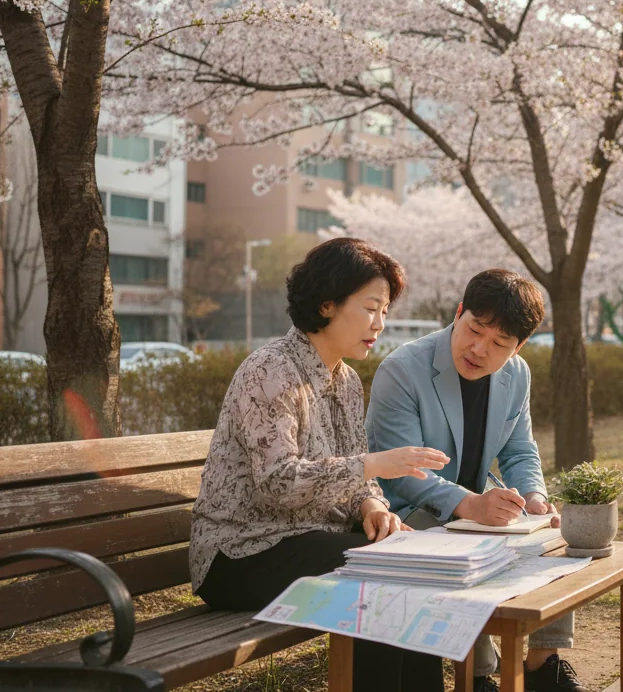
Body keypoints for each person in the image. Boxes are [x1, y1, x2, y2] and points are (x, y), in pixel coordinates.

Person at [190, 238, 452, 692]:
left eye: (384, 311)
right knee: (380, 574)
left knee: (409, 562)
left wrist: (372, 507)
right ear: (327, 304)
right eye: (370, 308)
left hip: (308, 542)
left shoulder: (346, 380)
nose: (380, 323)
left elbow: (353, 476)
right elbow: (277, 483)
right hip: (240, 553)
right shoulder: (270, 370)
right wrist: (372, 465)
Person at [366, 269, 590, 692]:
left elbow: (520, 450)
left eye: (499, 343)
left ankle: (543, 664)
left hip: (477, 501)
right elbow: (406, 474)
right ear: (458, 313)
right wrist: (471, 506)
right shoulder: (402, 370)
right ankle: (478, 676)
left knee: (557, 536)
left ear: (518, 346)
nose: (479, 349)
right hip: (406, 509)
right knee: (471, 549)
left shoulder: (517, 374)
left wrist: (535, 498)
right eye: (474, 329)